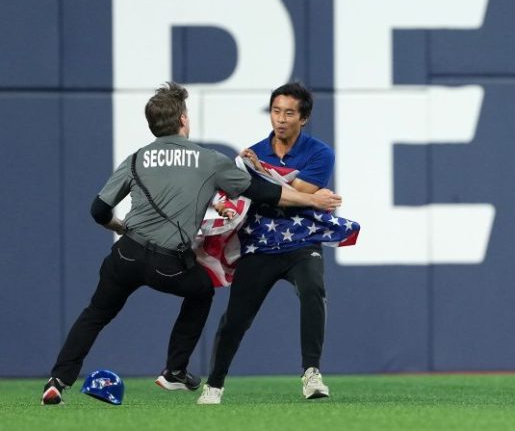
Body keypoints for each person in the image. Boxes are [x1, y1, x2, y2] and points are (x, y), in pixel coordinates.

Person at [41, 82, 341, 405]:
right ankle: (174, 371)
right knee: (202, 291)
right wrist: (312, 198)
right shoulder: (207, 160)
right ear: (183, 120)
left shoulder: (136, 158)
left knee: (95, 313)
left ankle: (58, 379)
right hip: (167, 264)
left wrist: (122, 226)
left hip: (126, 256)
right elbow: (265, 192)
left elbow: (98, 210)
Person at [198, 82, 338, 405]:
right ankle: (214, 385)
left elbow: (291, 194)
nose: (281, 119)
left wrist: (258, 177)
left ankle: (311, 373)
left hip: (301, 241)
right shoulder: (254, 152)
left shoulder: (320, 153)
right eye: (276, 111)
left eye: (290, 113)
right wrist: (307, 197)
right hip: (259, 245)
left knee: (313, 288)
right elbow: (290, 195)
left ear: (303, 118)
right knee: (236, 318)